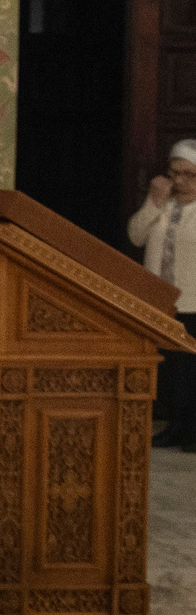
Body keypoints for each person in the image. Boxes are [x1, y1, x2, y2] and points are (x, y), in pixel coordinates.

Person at [129, 141, 196, 450]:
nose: (180, 180)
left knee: (189, 372)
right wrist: (154, 202)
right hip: (161, 301)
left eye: (189, 175)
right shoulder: (163, 204)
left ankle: (190, 432)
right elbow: (136, 236)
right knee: (170, 371)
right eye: (175, 172)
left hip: (193, 301)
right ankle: (175, 428)